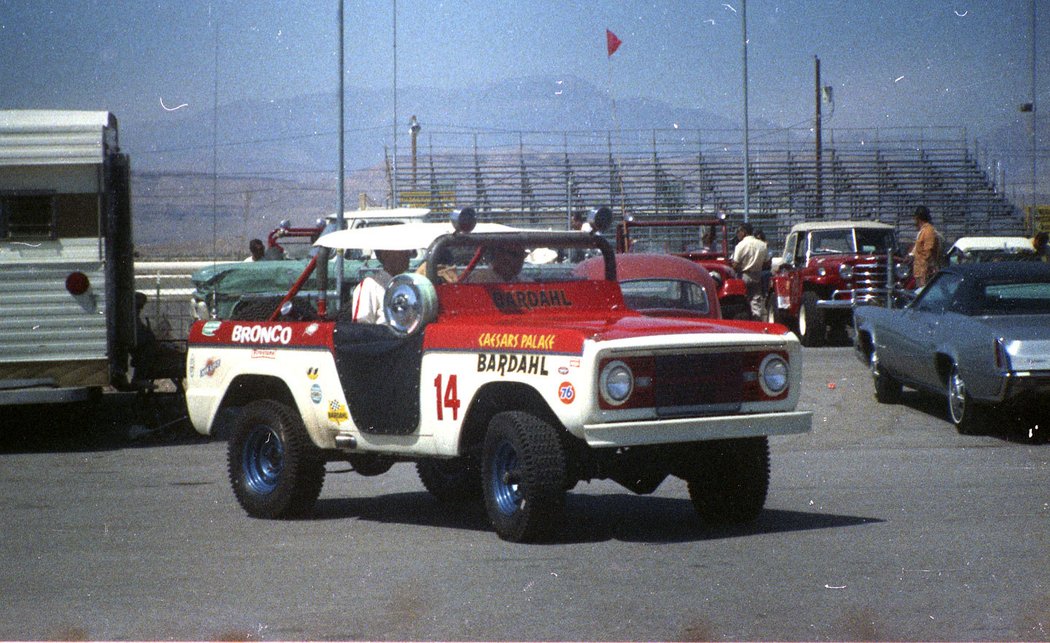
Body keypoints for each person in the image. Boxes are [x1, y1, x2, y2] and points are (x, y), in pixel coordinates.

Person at [348, 249, 412, 323]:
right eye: (402, 250)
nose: (408, 253)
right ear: (385, 254)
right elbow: (360, 327)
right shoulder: (370, 286)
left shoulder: (409, 286)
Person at [731, 223, 768, 320]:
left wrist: (741, 267)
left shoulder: (741, 245)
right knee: (756, 300)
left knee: (742, 299)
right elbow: (767, 263)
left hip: (744, 275)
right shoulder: (762, 245)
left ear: (744, 232)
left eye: (739, 231)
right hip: (757, 275)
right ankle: (757, 321)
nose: (738, 234)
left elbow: (735, 265)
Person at [910, 205, 941, 288]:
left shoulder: (928, 231)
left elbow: (928, 252)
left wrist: (926, 272)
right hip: (919, 271)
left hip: (925, 273)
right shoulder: (922, 231)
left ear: (918, 218)